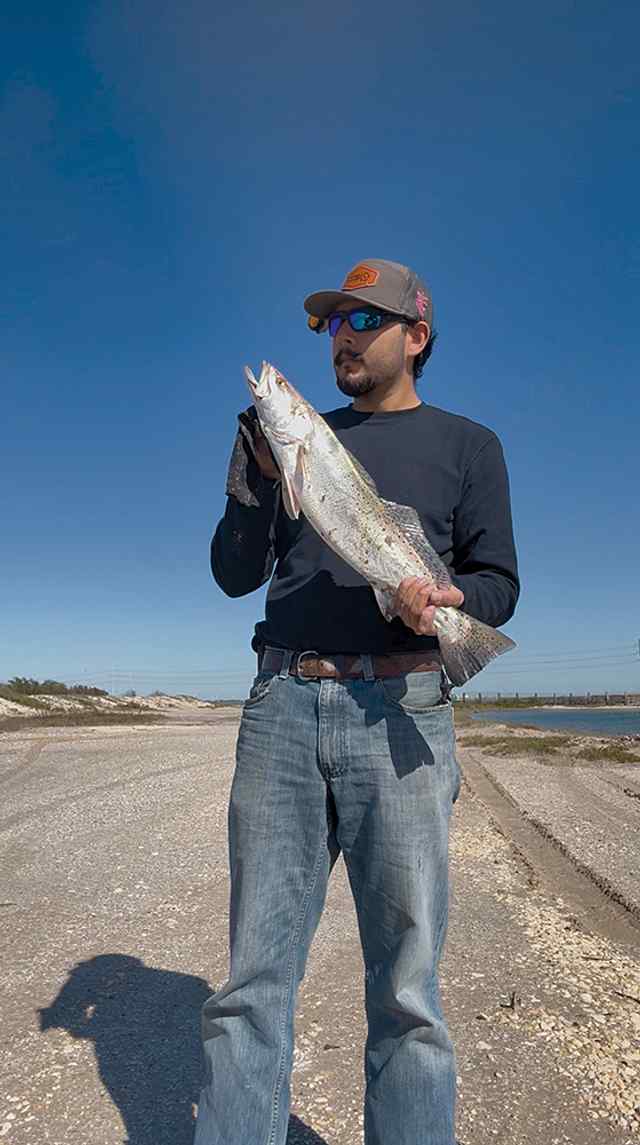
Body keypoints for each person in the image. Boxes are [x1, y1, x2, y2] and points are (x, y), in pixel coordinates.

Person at [195, 258, 519, 1145]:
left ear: (415, 335)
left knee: (407, 989)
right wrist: (257, 476)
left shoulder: (468, 445)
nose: (342, 336)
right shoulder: (297, 438)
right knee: (251, 980)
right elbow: (232, 575)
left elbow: (498, 585)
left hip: (403, 708)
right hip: (282, 708)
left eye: (361, 321)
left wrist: (453, 606)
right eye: (332, 324)